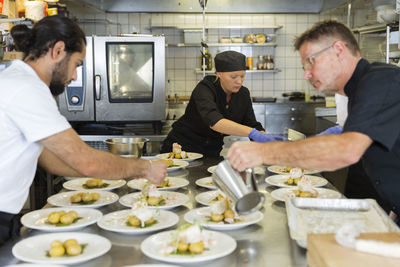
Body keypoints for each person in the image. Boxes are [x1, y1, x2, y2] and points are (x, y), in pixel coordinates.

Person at [0, 16, 167, 245]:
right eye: (77, 64)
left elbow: (48, 158)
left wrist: (108, 176)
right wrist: (144, 168)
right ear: (58, 51)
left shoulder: (18, 80)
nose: (75, 76)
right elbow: (87, 161)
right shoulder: (27, 88)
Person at [227, 20, 400, 219]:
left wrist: (264, 152)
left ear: (338, 49)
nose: (306, 74)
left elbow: (346, 152)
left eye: (311, 61)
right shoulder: (359, 92)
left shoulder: (380, 82)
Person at [161, 50, 284, 157]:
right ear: (219, 74)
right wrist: (253, 133)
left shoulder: (243, 94)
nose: (239, 81)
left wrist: (267, 141)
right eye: (234, 77)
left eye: (242, 76)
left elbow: (252, 124)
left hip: (211, 152)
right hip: (182, 148)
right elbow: (214, 122)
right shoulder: (204, 88)